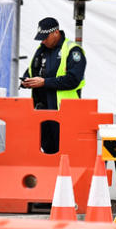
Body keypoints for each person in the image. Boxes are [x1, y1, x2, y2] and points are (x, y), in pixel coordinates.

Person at [20, 17, 86, 153]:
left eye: (45, 37)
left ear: (56, 32)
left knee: (64, 151)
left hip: (63, 112)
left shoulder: (72, 50)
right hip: (42, 110)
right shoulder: (42, 49)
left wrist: (44, 82)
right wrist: (27, 80)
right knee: (47, 150)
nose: (43, 41)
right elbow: (33, 69)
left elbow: (73, 79)